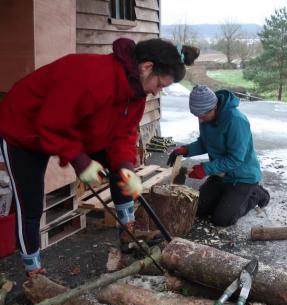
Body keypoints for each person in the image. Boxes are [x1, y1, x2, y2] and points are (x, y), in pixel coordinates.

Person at [0, 37, 199, 276]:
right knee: (30, 206)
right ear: (146, 67)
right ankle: (34, 271)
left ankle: (128, 233)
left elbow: (124, 134)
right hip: (24, 130)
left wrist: (126, 167)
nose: (158, 91)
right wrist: (81, 161)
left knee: (121, 170)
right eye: (160, 84)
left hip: (73, 126)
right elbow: (51, 124)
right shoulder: (90, 76)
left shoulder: (136, 91)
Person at [167, 85, 270, 227]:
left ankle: (256, 194)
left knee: (222, 219)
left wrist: (205, 169)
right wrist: (185, 150)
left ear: (214, 107)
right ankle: (228, 197)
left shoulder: (236, 121)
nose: (200, 119)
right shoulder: (204, 117)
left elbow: (235, 159)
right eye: (197, 116)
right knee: (198, 209)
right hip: (221, 175)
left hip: (242, 177)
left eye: (202, 115)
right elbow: (205, 142)